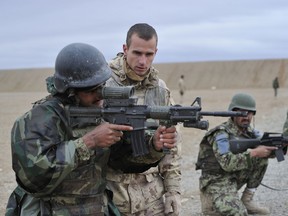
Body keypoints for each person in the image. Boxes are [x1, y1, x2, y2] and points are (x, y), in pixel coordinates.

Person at [5, 43, 177, 216]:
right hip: (50, 210)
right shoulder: (38, 119)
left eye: (101, 87)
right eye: (91, 90)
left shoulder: (100, 112)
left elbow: (120, 159)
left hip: (95, 208)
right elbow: (34, 178)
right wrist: (88, 143)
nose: (99, 95)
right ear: (70, 91)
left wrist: (152, 145)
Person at [105, 23, 181, 215]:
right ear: (125, 49)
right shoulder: (104, 82)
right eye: (137, 53)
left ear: (156, 52)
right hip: (111, 195)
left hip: (151, 195)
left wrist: (172, 190)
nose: (142, 61)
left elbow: (170, 145)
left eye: (149, 55)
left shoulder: (160, 89)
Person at [196, 93, 277, 215]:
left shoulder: (250, 132)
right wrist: (254, 153)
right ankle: (210, 205)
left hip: (232, 178)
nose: (246, 117)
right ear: (233, 113)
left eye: (250, 113)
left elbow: (267, 148)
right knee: (238, 213)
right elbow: (227, 163)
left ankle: (247, 199)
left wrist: (278, 148)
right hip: (215, 181)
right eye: (242, 113)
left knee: (262, 158)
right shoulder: (221, 134)